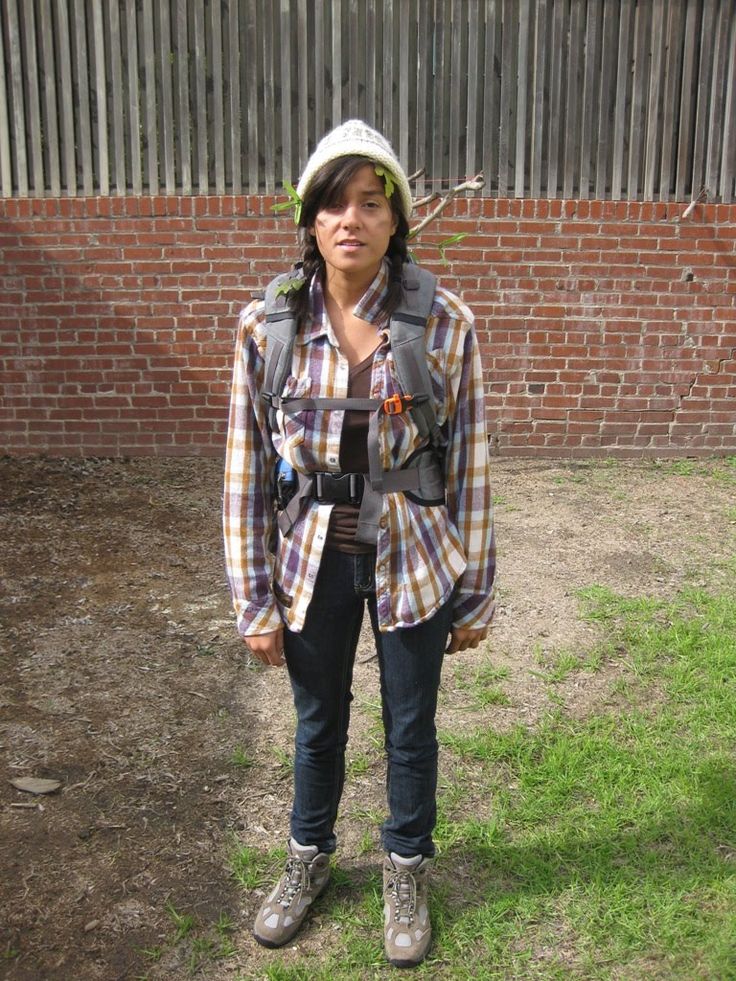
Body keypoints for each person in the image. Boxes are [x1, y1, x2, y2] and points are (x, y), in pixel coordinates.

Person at [223, 120, 495, 968]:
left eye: (371, 203)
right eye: (334, 203)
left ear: (395, 220)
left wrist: (475, 589)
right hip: (313, 554)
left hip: (411, 551)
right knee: (316, 722)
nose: (352, 219)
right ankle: (308, 858)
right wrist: (254, 599)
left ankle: (405, 867)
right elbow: (242, 470)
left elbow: (473, 461)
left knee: (411, 726)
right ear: (309, 220)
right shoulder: (267, 326)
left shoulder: (444, 323)